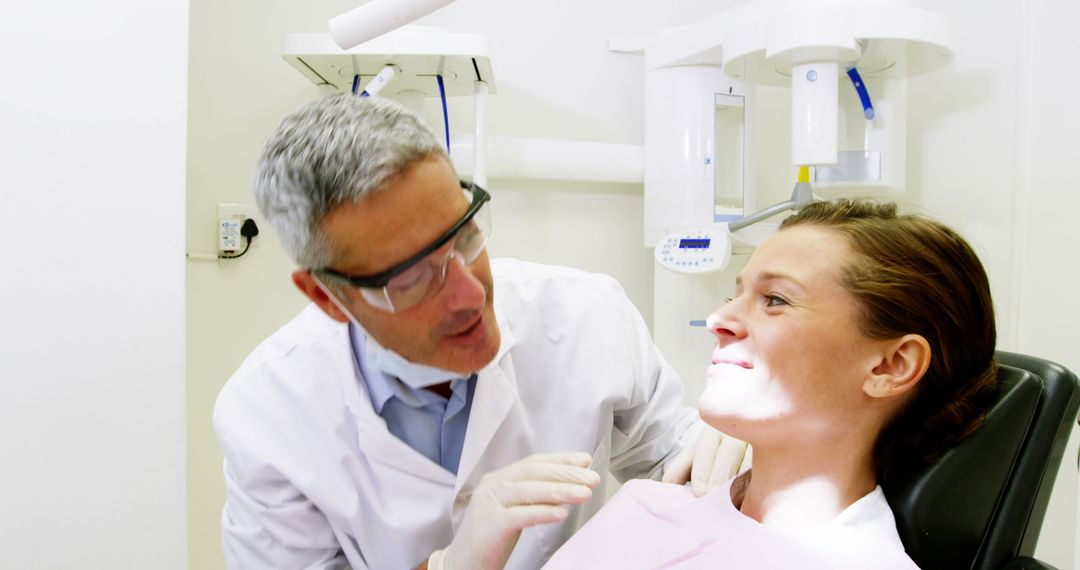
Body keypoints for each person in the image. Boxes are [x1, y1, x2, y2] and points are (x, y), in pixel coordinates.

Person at [213, 93, 745, 570]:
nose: (470, 294)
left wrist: (732, 446)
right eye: (414, 278)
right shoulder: (267, 415)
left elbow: (676, 461)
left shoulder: (586, 313)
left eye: (465, 237)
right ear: (328, 297)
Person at [545, 200, 999, 569]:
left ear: (890, 366)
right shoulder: (644, 506)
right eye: (734, 295)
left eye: (775, 300)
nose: (719, 319)